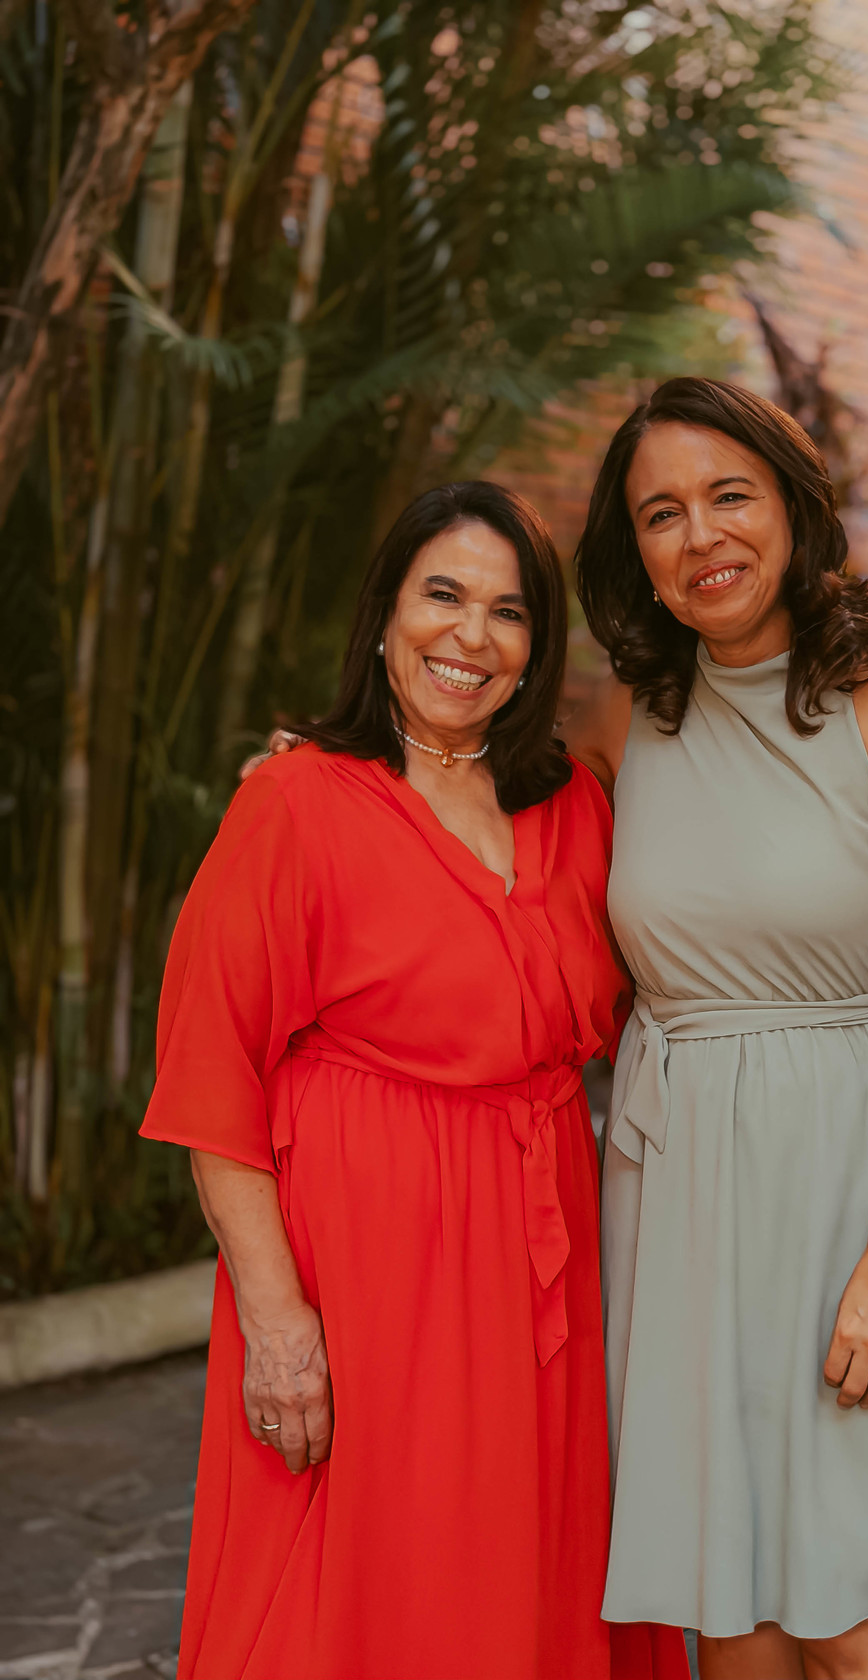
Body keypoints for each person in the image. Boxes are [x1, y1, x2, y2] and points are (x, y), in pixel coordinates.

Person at [140, 482, 688, 1680]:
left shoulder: (575, 807)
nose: (470, 637)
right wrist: (279, 1326)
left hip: (543, 1267)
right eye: (442, 595)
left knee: (527, 1572)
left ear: (538, 646)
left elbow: (668, 990)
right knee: (367, 1591)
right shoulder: (294, 804)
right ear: (385, 611)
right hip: (362, 1274)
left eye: (509, 611)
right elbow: (211, 1085)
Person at [569, 377, 868, 1680]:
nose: (702, 535)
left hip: (855, 1176)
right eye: (662, 513)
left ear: (791, 504)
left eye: (730, 495)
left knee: (847, 1609)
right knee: (730, 1607)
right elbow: (457, 782)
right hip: (678, 1188)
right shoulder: (624, 717)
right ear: (636, 552)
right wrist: (315, 768)